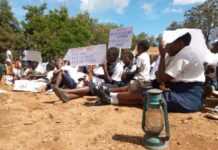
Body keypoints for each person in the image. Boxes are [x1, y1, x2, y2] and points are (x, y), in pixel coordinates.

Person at [156, 32, 205, 113]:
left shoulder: (185, 54)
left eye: (169, 43)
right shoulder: (172, 55)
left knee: (152, 97)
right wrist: (161, 76)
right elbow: (159, 79)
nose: (166, 46)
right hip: (175, 90)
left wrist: (162, 56)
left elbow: (162, 77)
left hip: (187, 96)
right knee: (146, 92)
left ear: (180, 43)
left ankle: (127, 100)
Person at [97, 40, 151, 105]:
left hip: (139, 79)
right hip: (144, 79)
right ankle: (108, 94)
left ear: (141, 47)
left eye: (138, 46)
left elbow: (137, 70)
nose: (137, 48)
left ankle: (109, 95)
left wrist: (127, 74)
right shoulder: (146, 56)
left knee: (130, 93)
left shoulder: (140, 57)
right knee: (129, 91)